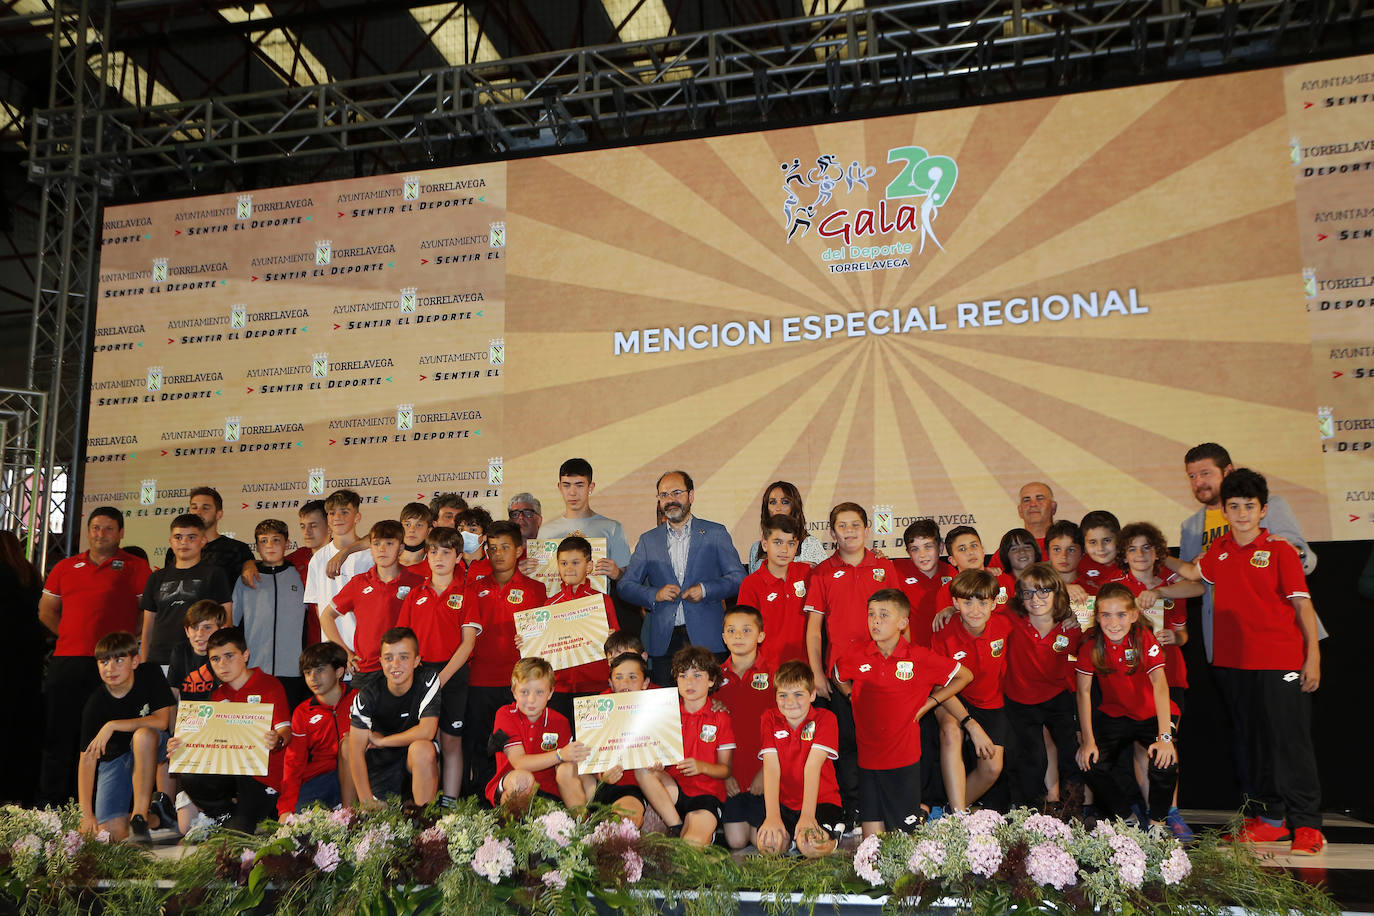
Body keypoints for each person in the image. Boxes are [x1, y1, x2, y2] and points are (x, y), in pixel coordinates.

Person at [1172, 468, 1324, 855]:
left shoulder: (1280, 550)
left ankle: (1307, 824)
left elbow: (1303, 606)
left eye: (1249, 507)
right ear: (1224, 509)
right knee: (1251, 744)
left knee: (1290, 743)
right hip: (1232, 664)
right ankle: (1271, 820)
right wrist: (1159, 562)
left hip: (1281, 661)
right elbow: (1192, 572)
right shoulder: (1219, 550)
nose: (1241, 513)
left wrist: (1313, 657)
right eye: (1234, 506)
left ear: (1263, 510)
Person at [834, 589, 972, 837]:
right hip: (868, 763)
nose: (875, 621)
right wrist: (850, 695)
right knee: (871, 845)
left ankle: (920, 813)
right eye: (871, 614)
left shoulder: (919, 657)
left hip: (903, 762)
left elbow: (965, 675)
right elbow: (837, 674)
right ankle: (919, 813)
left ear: (902, 622)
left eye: (884, 615)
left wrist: (930, 702)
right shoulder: (857, 655)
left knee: (904, 840)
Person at [38, 507, 151, 806]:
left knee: (109, 740)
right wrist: (71, 634)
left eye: (109, 528)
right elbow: (47, 612)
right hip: (68, 661)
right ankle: (51, 805)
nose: (101, 534)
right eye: (96, 528)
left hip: (115, 665)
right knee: (59, 736)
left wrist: (124, 643)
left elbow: (147, 615)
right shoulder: (65, 566)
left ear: (121, 532)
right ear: (88, 531)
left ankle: (103, 806)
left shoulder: (136, 567)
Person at [1178, 443, 1316, 664]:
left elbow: (1307, 558)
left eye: (1205, 473)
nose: (1198, 482)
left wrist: (1293, 552)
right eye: (1192, 476)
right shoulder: (1190, 526)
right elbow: (1191, 580)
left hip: (1281, 640)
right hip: (1226, 642)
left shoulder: (1270, 505)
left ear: (1228, 471)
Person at [803, 502, 897, 824]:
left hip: (883, 672)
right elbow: (814, 629)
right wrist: (817, 672)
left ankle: (887, 805)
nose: (850, 531)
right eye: (842, 526)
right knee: (848, 744)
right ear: (832, 533)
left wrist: (902, 664)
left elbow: (900, 620)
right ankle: (856, 809)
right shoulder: (822, 573)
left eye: (855, 524)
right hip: (841, 676)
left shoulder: (884, 568)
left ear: (867, 528)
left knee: (884, 740)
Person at [1110, 521, 1202, 839]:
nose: (1139, 554)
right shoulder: (1117, 588)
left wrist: (1174, 636)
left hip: (1171, 676)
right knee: (1140, 748)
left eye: (1146, 547)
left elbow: (1185, 629)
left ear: (1157, 552)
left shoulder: (1173, 584)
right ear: (1123, 554)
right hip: (1130, 680)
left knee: (1168, 742)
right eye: (1132, 548)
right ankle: (1154, 812)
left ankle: (1171, 812)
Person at [619, 471, 744, 686]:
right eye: (664, 495)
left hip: (708, 639)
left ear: (691, 496)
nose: (670, 500)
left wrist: (705, 590)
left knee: (713, 704)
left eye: (677, 493)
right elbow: (625, 586)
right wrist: (654, 594)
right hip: (664, 642)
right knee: (669, 713)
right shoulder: (648, 540)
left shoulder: (715, 533)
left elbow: (739, 578)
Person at [1074, 583, 1178, 830]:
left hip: (1151, 712)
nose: (1113, 623)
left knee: (1165, 760)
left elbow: (1160, 686)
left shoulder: (1143, 638)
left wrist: (1165, 737)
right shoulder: (1090, 644)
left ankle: (1157, 824)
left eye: (1121, 615)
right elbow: (1083, 692)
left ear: (1133, 615)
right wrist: (1088, 740)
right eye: (1106, 615)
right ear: (1097, 617)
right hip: (1115, 714)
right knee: (1089, 761)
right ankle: (1127, 819)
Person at [173, 626, 291, 834]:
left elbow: (286, 733)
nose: (222, 664)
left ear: (245, 655)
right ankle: (225, 816)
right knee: (190, 775)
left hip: (262, 778)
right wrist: (182, 746)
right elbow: (210, 745)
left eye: (229, 656)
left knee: (236, 839)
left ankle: (241, 819)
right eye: (215, 659)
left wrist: (277, 740)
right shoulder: (217, 695)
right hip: (232, 775)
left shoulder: (270, 685)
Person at [461, 520, 545, 799]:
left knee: (518, 747)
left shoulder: (536, 589)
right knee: (482, 745)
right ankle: (483, 803)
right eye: (492, 547)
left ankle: (518, 799)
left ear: (519, 550)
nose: (498, 553)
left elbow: (545, 638)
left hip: (519, 685)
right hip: (480, 680)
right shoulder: (473, 586)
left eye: (505, 547)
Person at [395, 526, 478, 802]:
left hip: (452, 675)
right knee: (423, 742)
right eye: (433, 552)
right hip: (420, 674)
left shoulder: (467, 593)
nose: (439, 557)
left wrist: (440, 679)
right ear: (426, 556)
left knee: (451, 740)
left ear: (458, 557)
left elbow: (467, 644)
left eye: (446, 552)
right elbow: (403, 642)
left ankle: (450, 805)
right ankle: (424, 803)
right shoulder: (414, 595)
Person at [76, 632, 174, 842]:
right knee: (111, 833)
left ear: (135, 661)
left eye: (119, 661)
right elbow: (87, 759)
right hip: (117, 758)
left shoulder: (150, 673)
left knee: (142, 737)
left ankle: (139, 815)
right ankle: (156, 818)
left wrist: (113, 725)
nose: (110, 669)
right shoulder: (95, 704)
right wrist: (86, 814)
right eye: (104, 662)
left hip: (156, 748)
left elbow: (162, 721)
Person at [637, 646, 735, 846]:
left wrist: (701, 766)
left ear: (711, 680)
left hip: (706, 794)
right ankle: (676, 826)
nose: (689, 682)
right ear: (676, 680)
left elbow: (725, 770)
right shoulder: (667, 713)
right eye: (683, 675)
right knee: (642, 768)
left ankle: (700, 835)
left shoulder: (720, 717)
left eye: (697, 675)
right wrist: (657, 765)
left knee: (691, 845)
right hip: (674, 791)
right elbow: (659, 755)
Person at [1002, 564, 1082, 809]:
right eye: (1028, 593)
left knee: (1072, 753)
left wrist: (1071, 614)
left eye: (1043, 591)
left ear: (1057, 593)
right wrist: (951, 609)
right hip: (1019, 698)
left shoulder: (1072, 627)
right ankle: (1029, 812)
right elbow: (977, 611)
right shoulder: (1010, 617)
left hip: (1058, 696)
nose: (1035, 599)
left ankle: (1072, 810)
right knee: (1031, 758)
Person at [931, 570, 1012, 813]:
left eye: (983, 603)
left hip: (989, 701)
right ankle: (958, 818)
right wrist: (970, 724)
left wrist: (1070, 615)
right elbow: (940, 685)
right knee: (951, 731)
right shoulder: (944, 631)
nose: (975, 610)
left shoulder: (1005, 625)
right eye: (967, 602)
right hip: (952, 698)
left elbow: (1042, 613)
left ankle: (952, 810)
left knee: (992, 768)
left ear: (994, 603)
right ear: (955, 603)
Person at [744, 661, 843, 857]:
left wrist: (807, 816)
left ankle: (833, 834)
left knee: (811, 847)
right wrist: (772, 816)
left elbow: (812, 767)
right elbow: (771, 768)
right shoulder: (769, 718)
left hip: (821, 802)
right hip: (785, 804)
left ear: (812, 695)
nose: (790, 702)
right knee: (768, 847)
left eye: (798, 694)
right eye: (783, 695)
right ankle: (791, 841)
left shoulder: (826, 719)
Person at [321, 520, 424, 689]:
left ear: (400, 548)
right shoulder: (358, 583)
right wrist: (346, 653)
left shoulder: (418, 583)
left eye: (389, 543)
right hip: (366, 671)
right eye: (377, 544)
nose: (382, 549)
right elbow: (326, 616)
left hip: (404, 670)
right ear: (371, 548)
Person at [348, 627, 441, 810]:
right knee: (347, 745)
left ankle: (426, 823)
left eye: (404, 657)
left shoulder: (428, 680)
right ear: (381, 661)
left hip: (412, 757)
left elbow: (427, 731)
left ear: (417, 661)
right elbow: (355, 750)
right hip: (380, 761)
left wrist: (383, 741)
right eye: (389, 658)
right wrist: (367, 802)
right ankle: (349, 814)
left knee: (423, 748)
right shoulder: (367, 694)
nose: (395, 664)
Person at [485, 658, 588, 810]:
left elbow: (570, 766)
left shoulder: (560, 721)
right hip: (512, 784)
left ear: (550, 693)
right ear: (514, 692)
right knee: (523, 779)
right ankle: (512, 829)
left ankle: (583, 825)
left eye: (539, 692)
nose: (531, 700)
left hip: (549, 792)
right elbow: (519, 762)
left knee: (568, 770)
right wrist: (559, 754)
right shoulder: (505, 714)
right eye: (524, 692)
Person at [540, 536, 619, 721]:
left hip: (595, 685)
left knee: (590, 743)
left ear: (589, 566)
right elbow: (542, 646)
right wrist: (526, 641)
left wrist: (612, 638)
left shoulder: (602, 601)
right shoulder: (549, 605)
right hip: (559, 688)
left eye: (576, 562)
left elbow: (616, 643)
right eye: (564, 563)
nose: (569, 568)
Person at [717, 606, 776, 848]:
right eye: (731, 631)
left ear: (760, 635)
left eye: (746, 630)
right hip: (731, 774)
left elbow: (782, 728)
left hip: (763, 774)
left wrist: (766, 771)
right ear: (723, 637)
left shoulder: (774, 674)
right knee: (736, 840)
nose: (738, 636)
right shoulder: (713, 678)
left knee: (763, 843)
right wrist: (724, 774)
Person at [233, 519, 309, 707]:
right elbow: (232, 623)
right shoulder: (245, 579)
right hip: (255, 669)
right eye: (264, 540)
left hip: (293, 670)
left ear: (287, 544)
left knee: (287, 728)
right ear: (257, 545)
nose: (270, 545)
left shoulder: (299, 575)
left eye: (276, 540)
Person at [140, 514, 232, 667]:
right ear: (170, 541)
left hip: (200, 660)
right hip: (159, 659)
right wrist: (143, 665)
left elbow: (226, 622)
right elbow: (148, 627)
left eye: (191, 537)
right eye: (178, 537)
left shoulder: (215, 574)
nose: (184, 542)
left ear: (203, 541)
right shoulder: (156, 578)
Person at [279, 642, 356, 816]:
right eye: (307, 672)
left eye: (320, 670)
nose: (313, 677)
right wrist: (286, 809)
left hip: (359, 772)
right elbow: (293, 763)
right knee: (300, 819)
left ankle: (349, 816)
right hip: (321, 779)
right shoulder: (302, 712)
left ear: (339, 671)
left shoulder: (359, 699)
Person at [579, 650, 650, 824]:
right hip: (598, 783)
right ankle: (580, 828)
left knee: (625, 820)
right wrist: (600, 775)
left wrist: (658, 766)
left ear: (645, 683)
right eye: (618, 678)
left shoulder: (656, 709)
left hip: (631, 787)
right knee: (566, 769)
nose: (625, 682)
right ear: (610, 683)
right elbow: (585, 754)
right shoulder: (595, 708)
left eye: (633, 677)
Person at [736, 514, 810, 667]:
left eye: (791, 543)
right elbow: (745, 632)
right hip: (767, 669)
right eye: (777, 542)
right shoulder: (751, 584)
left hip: (804, 668)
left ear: (797, 546)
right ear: (764, 544)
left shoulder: (807, 573)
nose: (784, 549)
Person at [305, 490, 375, 627]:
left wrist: (345, 552)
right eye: (332, 513)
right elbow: (319, 606)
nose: (337, 517)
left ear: (357, 517)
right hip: (331, 644)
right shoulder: (317, 559)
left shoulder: (371, 555)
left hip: (364, 643)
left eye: (344, 512)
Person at [163, 487, 255, 588]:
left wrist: (250, 564)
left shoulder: (238, 549)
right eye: (194, 507)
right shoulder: (175, 551)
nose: (198, 512)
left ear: (219, 514)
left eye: (205, 508)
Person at [892, 519, 954, 648]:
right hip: (912, 654)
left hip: (945, 652)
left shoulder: (952, 574)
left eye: (928, 546)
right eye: (915, 549)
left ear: (941, 547)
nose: (922, 555)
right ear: (908, 553)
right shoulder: (896, 569)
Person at [744, 481, 827, 572]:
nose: (778, 508)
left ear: (795, 507)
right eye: (772, 502)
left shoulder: (810, 544)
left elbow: (825, 581)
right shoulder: (756, 548)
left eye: (785, 502)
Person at [166, 600, 226, 702]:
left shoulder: (224, 654)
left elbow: (225, 697)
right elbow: (172, 695)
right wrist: (172, 718)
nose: (200, 634)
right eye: (195, 627)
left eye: (207, 627)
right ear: (187, 631)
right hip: (188, 714)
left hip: (216, 712)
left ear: (220, 630)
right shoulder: (180, 652)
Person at [1078, 510, 1121, 594]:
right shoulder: (1079, 564)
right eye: (1093, 542)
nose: (1100, 548)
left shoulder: (1130, 563)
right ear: (1084, 545)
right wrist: (1066, 587)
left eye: (1107, 540)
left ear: (1119, 539)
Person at [1016, 482, 1057, 551]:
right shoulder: (1008, 552)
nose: (1033, 504)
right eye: (1026, 500)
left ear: (1053, 507)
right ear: (1020, 511)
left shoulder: (1070, 548)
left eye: (1040, 498)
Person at [398, 502, 434, 575]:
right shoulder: (386, 561)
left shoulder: (436, 564)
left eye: (419, 525)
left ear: (429, 531)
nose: (412, 529)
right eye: (407, 524)